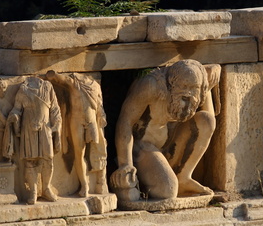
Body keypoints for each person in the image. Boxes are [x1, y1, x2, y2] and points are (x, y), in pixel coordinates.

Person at [110, 59, 220, 200]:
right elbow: (125, 121)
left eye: (194, 88)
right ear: (172, 84)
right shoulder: (151, 85)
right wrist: (125, 167)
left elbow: (209, 122)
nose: (189, 93)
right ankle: (128, 182)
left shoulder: (198, 89)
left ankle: (184, 177)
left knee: (207, 120)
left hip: (170, 144)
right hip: (143, 148)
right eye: (184, 86)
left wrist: (209, 81)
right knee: (167, 190)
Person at [45, 71, 108, 196]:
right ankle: (84, 185)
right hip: (76, 121)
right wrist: (53, 75)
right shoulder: (74, 83)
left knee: (98, 148)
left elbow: (100, 105)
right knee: (79, 153)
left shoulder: (95, 86)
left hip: (91, 121)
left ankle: (100, 182)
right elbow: (60, 78)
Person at [5, 77, 61, 204]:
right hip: (28, 127)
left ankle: (46, 188)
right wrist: (14, 116)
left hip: (45, 127)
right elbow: (16, 108)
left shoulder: (48, 87)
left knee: (48, 158)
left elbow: (55, 108)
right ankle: (33, 191)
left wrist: (57, 123)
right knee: (30, 160)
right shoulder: (23, 89)